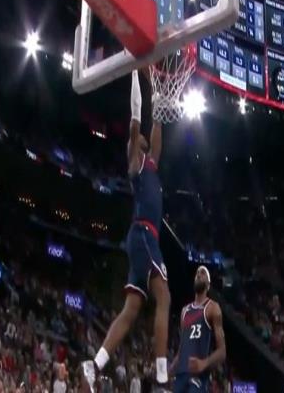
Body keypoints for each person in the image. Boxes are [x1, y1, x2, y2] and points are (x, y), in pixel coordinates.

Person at [82, 70, 171, 392]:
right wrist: (136, 70)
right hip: (144, 235)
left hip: (143, 239)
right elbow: (136, 120)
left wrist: (158, 93)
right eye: (141, 138)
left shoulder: (152, 165)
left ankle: (94, 364)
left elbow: (157, 127)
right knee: (164, 297)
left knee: (132, 309)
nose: (146, 138)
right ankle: (161, 376)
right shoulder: (135, 160)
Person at [170, 266, 226, 392]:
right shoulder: (185, 311)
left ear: (208, 285)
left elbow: (222, 352)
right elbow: (181, 350)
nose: (199, 274)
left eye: (203, 273)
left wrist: (204, 363)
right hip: (181, 375)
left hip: (197, 376)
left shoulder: (213, 308)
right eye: (197, 273)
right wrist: (169, 370)